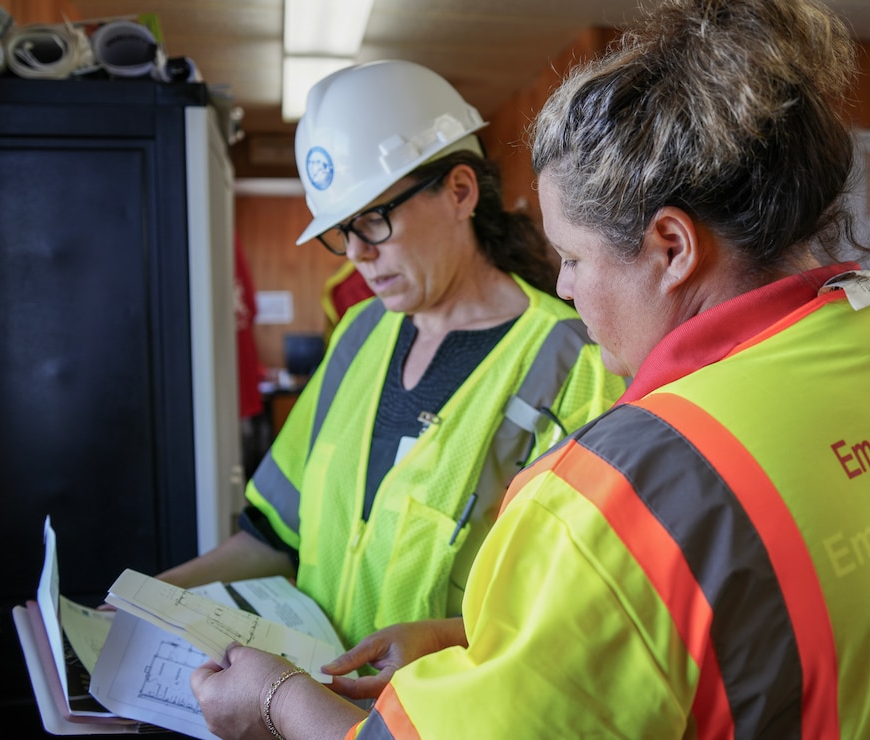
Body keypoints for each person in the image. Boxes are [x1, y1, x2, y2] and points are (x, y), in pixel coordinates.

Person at [189, 0, 870, 737]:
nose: (562, 287)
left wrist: (272, 698)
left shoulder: (632, 485)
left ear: (672, 247)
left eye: (570, 257)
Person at [156, 59, 624, 659]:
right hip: (314, 705)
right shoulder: (360, 333)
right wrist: (152, 596)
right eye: (342, 231)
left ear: (460, 191)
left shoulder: (571, 362)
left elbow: (572, 608)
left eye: (374, 220)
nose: (356, 254)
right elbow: (275, 535)